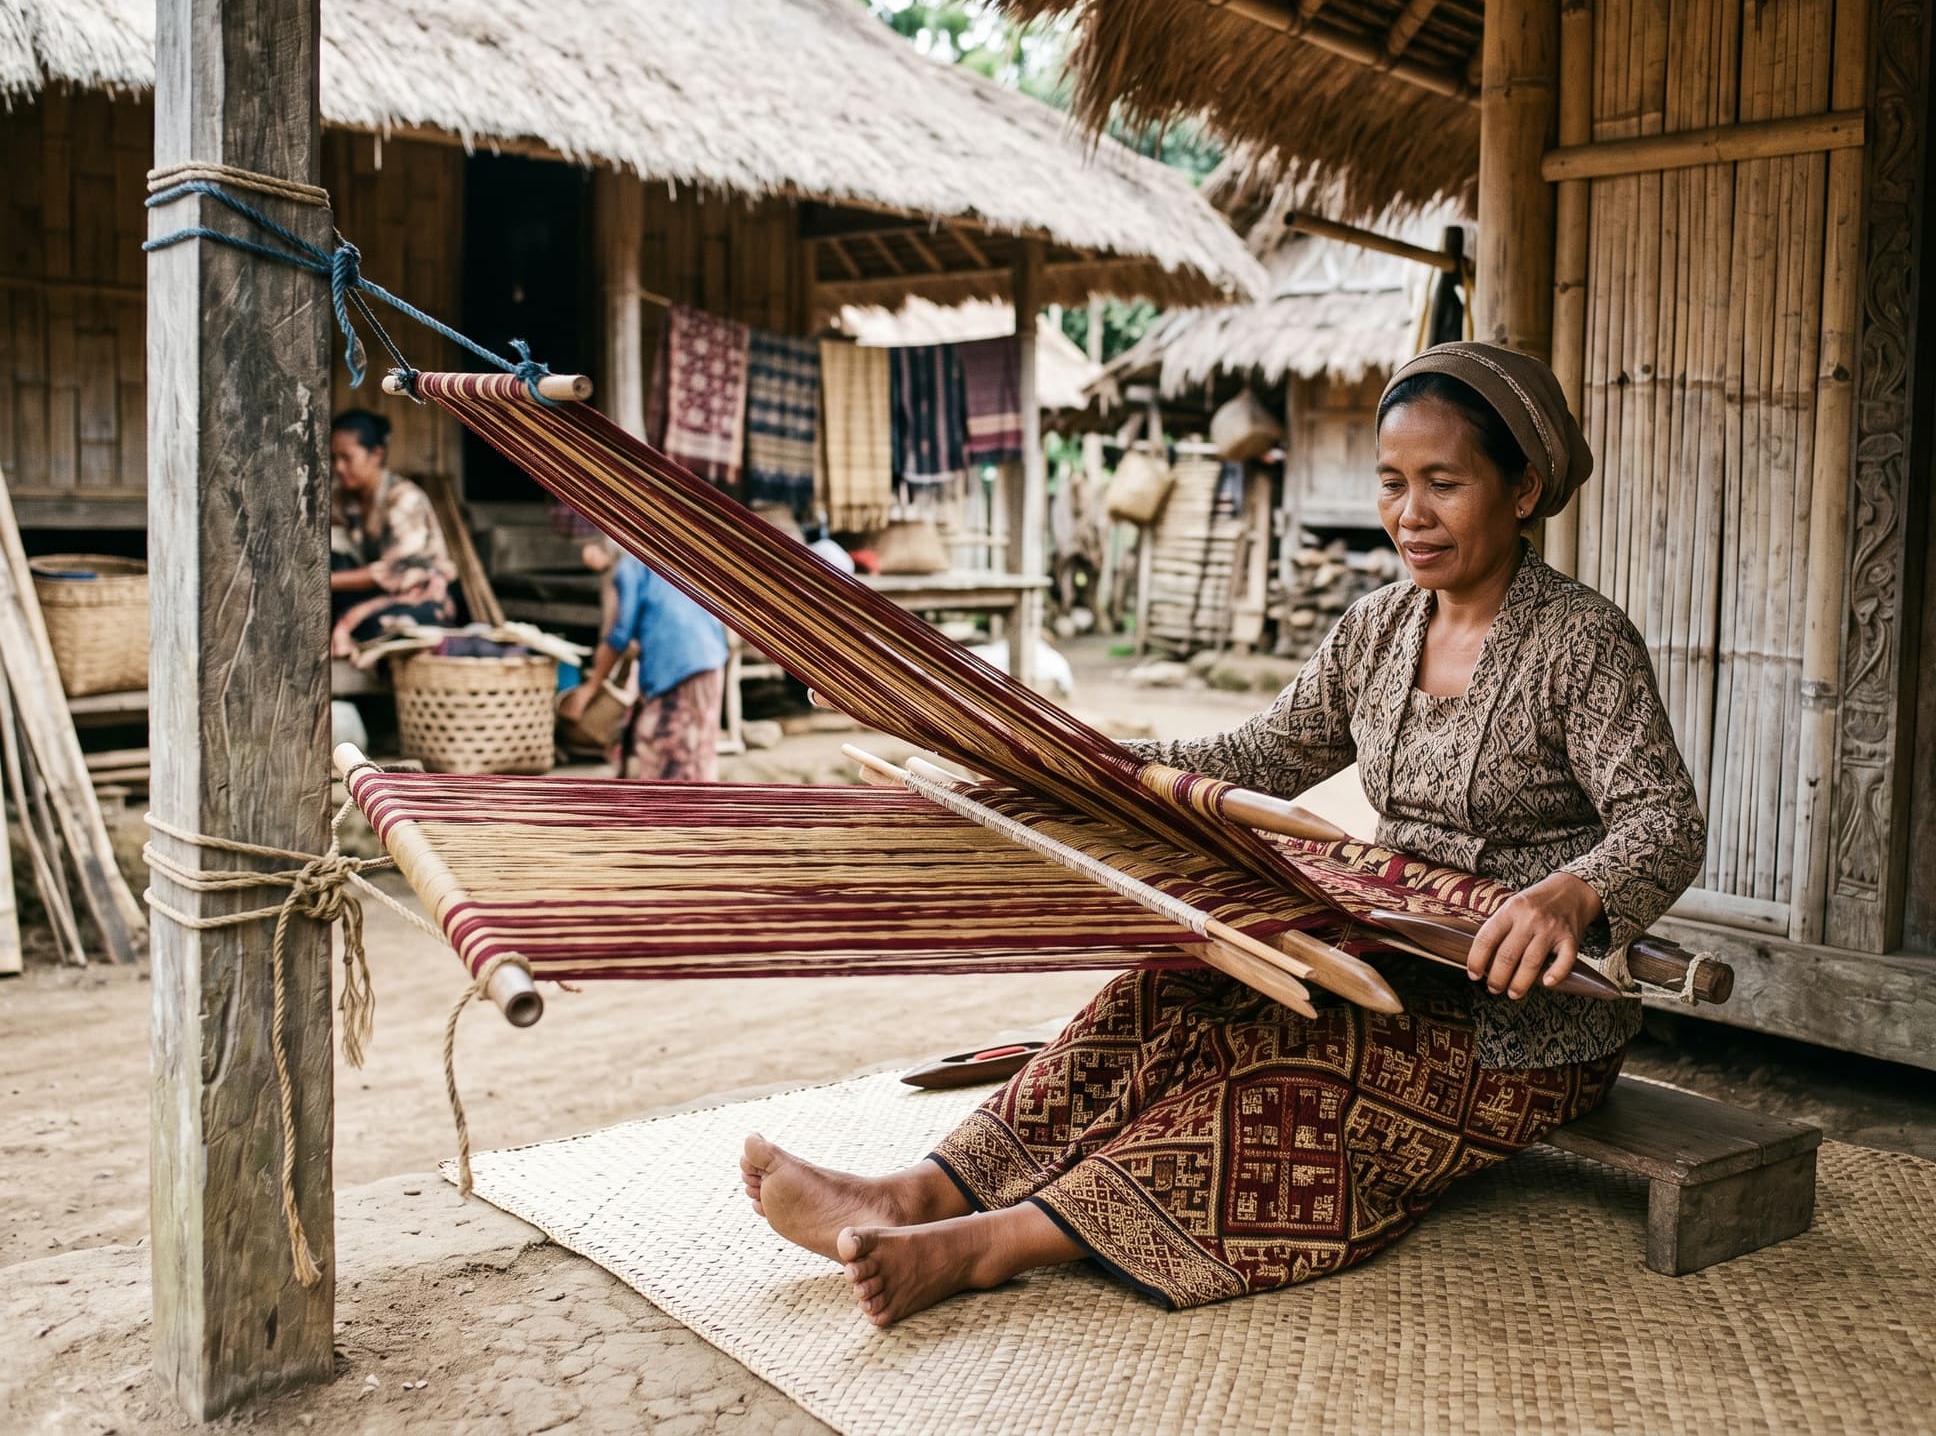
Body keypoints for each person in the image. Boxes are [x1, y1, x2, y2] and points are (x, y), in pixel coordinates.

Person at [738, 341, 1708, 1326]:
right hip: (1380, 948)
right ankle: (921, 1191)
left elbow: (1662, 819)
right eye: (1390, 483)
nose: (1408, 514)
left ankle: (989, 1244)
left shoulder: (1580, 643)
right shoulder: (1374, 629)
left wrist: (1569, 893)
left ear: (1522, 487)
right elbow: (1254, 754)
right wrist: (1060, 755)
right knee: (1166, 988)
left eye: (1442, 483)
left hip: (1521, 1021)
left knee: (1291, 1076)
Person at [561, 545, 730, 782]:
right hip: (710, 659)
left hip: (677, 664)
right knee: (698, 751)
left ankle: (674, 815)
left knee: (665, 752)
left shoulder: (631, 566)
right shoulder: (675, 555)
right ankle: (698, 813)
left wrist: (590, 688)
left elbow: (620, 635)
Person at [329, 409, 458, 655]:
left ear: (376, 454)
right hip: (367, 594)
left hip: (417, 595)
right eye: (334, 458)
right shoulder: (341, 498)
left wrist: (329, 583)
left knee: (387, 626)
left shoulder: (405, 499)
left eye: (347, 458)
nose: (339, 467)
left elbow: (394, 573)